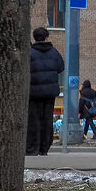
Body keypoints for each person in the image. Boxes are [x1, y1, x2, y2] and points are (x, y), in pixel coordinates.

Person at [27, 26, 65, 156]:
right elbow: (61, 67)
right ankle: (44, 148)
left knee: (33, 120)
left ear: (34, 37)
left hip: (34, 92)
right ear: (46, 37)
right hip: (50, 92)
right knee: (47, 120)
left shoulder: (30, 53)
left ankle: (33, 148)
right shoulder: (54, 52)